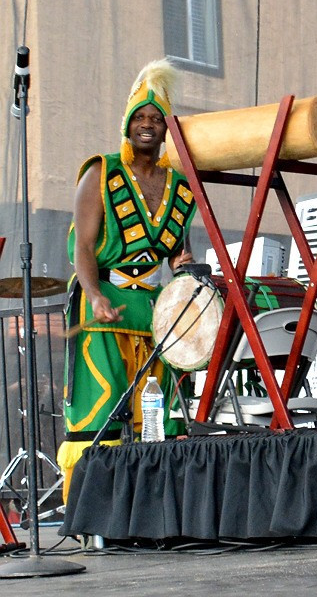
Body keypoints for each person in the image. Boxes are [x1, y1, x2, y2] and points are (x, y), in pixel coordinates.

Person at [60, 60, 194, 495]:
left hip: (154, 310)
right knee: (101, 417)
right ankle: (91, 511)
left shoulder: (180, 186)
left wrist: (188, 277)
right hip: (104, 302)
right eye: (140, 117)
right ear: (127, 123)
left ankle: (153, 507)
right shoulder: (101, 172)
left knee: (158, 419)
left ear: (167, 127)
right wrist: (94, 293)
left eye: (156, 118)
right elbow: (83, 246)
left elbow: (177, 253)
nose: (148, 125)